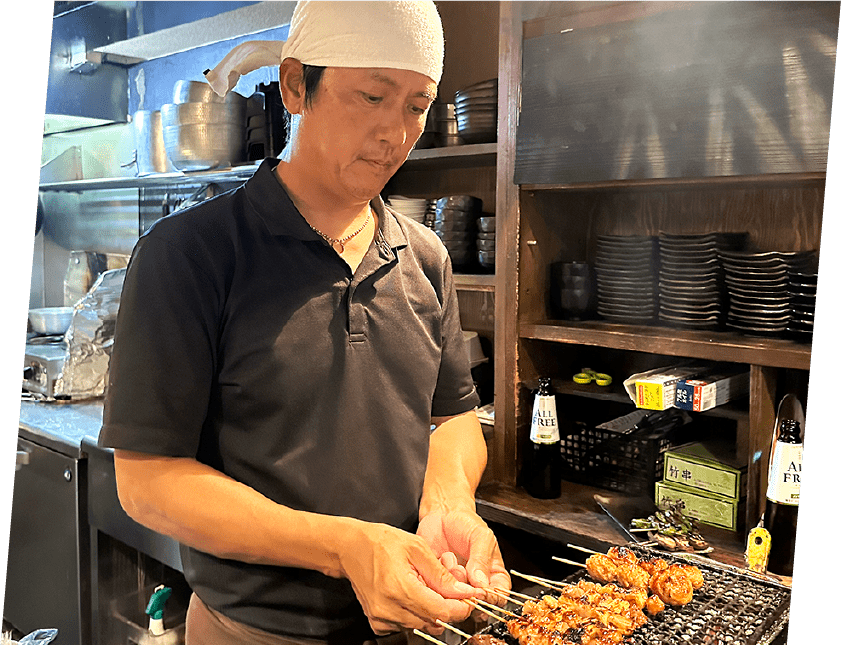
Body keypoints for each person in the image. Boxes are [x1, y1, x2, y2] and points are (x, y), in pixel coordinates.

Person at [99, 2, 510, 644]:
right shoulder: (192, 255)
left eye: (416, 104)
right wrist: (343, 546)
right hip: (251, 631)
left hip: (406, 622)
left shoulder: (425, 258)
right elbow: (147, 481)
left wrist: (448, 503)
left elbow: (453, 418)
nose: (395, 132)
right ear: (295, 86)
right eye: (371, 96)